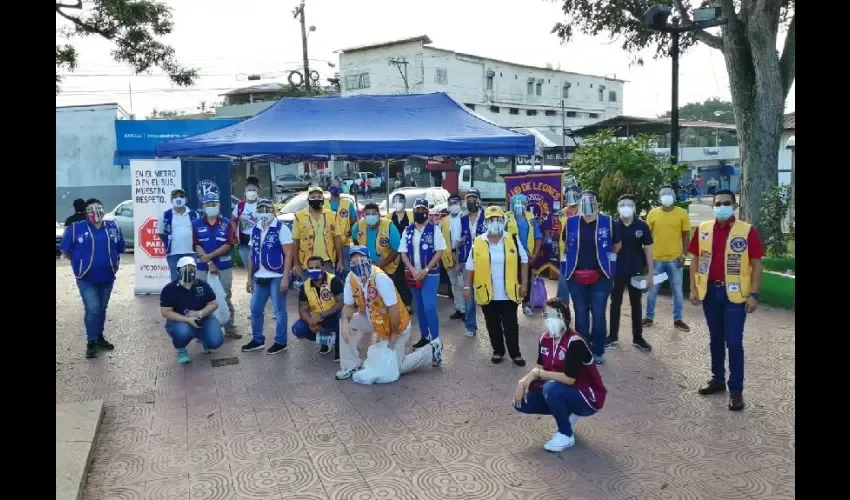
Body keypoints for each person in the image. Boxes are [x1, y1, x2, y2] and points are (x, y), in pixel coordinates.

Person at [688, 190, 764, 411]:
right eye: (718, 203)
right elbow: (695, 259)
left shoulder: (746, 231)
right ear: (712, 206)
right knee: (715, 339)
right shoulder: (703, 230)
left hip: (736, 296)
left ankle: (736, 390)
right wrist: (693, 288)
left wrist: (754, 294)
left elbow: (757, 264)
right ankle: (718, 379)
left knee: (733, 342)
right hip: (711, 293)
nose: (722, 206)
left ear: (734, 206)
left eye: (727, 203)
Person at [337, 246, 443, 381]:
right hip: (373, 320)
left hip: (397, 326)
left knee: (396, 369)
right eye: (354, 261)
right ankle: (350, 365)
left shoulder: (379, 278)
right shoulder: (351, 278)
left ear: (369, 260)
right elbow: (348, 305)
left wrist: (393, 335)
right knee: (345, 321)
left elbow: (394, 309)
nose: (358, 264)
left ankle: (431, 351)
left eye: (361, 259)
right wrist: (346, 321)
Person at [514, 298, 606, 452]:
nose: (549, 320)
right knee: (521, 401)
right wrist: (524, 381)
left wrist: (538, 373)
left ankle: (566, 434)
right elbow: (539, 367)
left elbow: (569, 379)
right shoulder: (545, 339)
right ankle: (567, 412)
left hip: (588, 396)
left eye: (554, 315)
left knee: (551, 388)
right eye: (546, 315)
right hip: (564, 390)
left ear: (565, 317)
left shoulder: (574, 341)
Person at [464, 206, 529, 366]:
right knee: (492, 324)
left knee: (511, 324)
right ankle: (498, 351)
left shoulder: (512, 239)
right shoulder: (478, 242)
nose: (495, 223)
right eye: (491, 220)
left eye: (498, 220)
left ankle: (515, 354)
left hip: (509, 291)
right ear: (486, 222)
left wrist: (525, 284)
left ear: (503, 221)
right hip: (487, 291)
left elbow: (525, 260)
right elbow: (470, 266)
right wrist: (467, 287)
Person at [60, 198, 125, 359]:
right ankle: (91, 341)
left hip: (107, 276)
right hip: (86, 278)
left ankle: (100, 337)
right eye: (91, 210)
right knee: (93, 308)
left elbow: (120, 247)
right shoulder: (76, 228)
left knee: (102, 308)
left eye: (97, 209)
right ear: (86, 211)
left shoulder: (112, 227)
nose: (94, 213)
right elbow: (66, 250)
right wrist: (78, 263)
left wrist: (114, 263)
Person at [562, 191, 621, 365]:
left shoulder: (608, 222)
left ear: (596, 203)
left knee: (598, 314)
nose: (587, 205)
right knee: (580, 314)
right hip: (576, 275)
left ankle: (598, 351)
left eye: (591, 201)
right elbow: (566, 244)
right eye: (584, 201)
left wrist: (604, 262)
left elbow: (617, 245)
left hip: (601, 277)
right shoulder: (571, 222)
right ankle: (583, 350)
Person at [241, 199, 294, 354]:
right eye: (260, 209)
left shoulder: (281, 228)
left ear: (273, 211)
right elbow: (252, 254)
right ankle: (257, 340)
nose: (263, 212)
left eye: (267, 209)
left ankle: (281, 341)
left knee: (279, 311)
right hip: (259, 276)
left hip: (276, 276)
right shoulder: (255, 229)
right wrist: (249, 278)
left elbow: (289, 253)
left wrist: (285, 277)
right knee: (255, 309)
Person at [606, 195, 653, 351]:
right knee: (615, 303)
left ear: (634, 208)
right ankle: (612, 336)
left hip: (636, 270)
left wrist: (650, 274)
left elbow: (648, 250)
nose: (625, 207)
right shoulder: (612, 225)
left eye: (629, 204)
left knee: (636, 304)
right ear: (618, 207)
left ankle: (638, 338)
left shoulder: (642, 226)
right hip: (617, 270)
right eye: (622, 204)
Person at [399, 198, 446, 349]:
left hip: (430, 273)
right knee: (419, 306)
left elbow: (439, 252)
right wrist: (413, 270)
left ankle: (436, 340)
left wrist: (425, 271)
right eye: (417, 210)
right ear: (413, 211)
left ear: (427, 212)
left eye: (423, 210)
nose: (420, 213)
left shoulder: (434, 229)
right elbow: (403, 253)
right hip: (413, 274)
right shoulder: (408, 230)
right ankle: (425, 336)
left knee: (429, 307)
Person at [159, 257, 225, 364]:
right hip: (179, 320)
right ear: (178, 270)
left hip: (203, 318)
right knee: (183, 332)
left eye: (192, 268)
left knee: (216, 341)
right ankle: (180, 348)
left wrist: (200, 313)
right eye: (185, 268)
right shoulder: (169, 289)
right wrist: (187, 319)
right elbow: (165, 312)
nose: (189, 271)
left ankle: (205, 339)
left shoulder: (202, 285)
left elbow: (214, 303)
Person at [645, 186, 692, 332]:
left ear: (674, 196)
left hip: (675, 260)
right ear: (660, 197)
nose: (666, 196)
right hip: (657, 259)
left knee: (677, 291)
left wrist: (684, 254)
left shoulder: (681, 213)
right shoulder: (653, 214)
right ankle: (649, 317)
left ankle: (678, 319)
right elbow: (647, 237)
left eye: (669, 194)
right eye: (663, 194)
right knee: (652, 290)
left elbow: (685, 235)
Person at [192, 193, 238, 338]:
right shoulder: (196, 224)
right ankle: (202, 329)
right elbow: (196, 244)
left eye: (214, 204)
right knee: (201, 298)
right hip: (203, 267)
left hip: (223, 266)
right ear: (203, 206)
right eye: (208, 204)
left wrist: (210, 257)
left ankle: (229, 327)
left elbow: (229, 244)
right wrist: (207, 260)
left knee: (225, 295)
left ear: (219, 205)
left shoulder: (226, 223)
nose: (211, 207)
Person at [292, 255, 345, 361]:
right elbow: (303, 309)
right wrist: (310, 321)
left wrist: (321, 316)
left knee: (341, 319)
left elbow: (341, 302)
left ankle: (340, 351)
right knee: (298, 329)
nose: (313, 270)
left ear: (323, 268)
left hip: (334, 316)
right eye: (310, 268)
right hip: (318, 319)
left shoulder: (334, 281)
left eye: (317, 267)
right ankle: (327, 341)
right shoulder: (305, 286)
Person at [292, 186, 344, 277]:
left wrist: (340, 261)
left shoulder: (332, 215)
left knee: (328, 289)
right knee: (309, 290)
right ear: (308, 199)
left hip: (327, 262)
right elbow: (295, 242)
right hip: (307, 263)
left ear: (323, 199)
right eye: (313, 197)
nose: (316, 199)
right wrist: (295, 264)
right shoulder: (299, 216)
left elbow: (337, 239)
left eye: (319, 197)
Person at [505, 193, 543, 316]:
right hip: (511, 255)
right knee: (511, 279)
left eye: (522, 203)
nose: (519, 206)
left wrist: (535, 254)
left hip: (527, 256)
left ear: (526, 205)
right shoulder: (506, 217)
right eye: (516, 204)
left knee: (526, 280)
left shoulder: (531, 217)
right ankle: (511, 305)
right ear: (511, 205)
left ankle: (525, 305)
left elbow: (538, 236)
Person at [458, 188, 487, 337]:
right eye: (468, 199)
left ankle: (493, 324)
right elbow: (457, 242)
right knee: (468, 295)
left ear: (479, 200)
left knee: (488, 294)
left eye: (473, 198)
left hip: (484, 262)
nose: (471, 201)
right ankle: (470, 326)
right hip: (466, 261)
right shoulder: (462, 219)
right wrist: (457, 261)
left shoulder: (487, 217)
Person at [352, 203, 402, 286]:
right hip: (366, 269)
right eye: (367, 214)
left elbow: (396, 250)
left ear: (379, 215)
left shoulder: (389, 226)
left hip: (387, 269)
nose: (370, 216)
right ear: (364, 216)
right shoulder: (358, 226)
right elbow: (354, 239)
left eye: (373, 214)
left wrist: (380, 265)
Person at [157, 188, 199, 282]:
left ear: (186, 199)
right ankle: (176, 297)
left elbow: (198, 231)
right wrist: (168, 242)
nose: (178, 198)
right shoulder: (165, 215)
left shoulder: (194, 214)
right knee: (175, 280)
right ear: (171, 200)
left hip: (191, 252)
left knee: (191, 280)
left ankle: (190, 297)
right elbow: (160, 233)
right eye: (175, 197)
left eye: (181, 196)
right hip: (173, 253)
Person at [387, 193, 414, 312]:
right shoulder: (388, 217)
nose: (397, 203)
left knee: (407, 278)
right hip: (394, 252)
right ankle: (398, 303)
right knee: (396, 278)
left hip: (408, 252)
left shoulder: (411, 216)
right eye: (395, 201)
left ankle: (408, 303)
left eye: (400, 201)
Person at [327, 179, 358, 276]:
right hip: (328, 242)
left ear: (341, 188)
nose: (335, 189)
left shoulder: (348, 204)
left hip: (345, 241)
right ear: (329, 188)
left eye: (337, 186)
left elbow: (354, 223)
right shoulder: (324, 204)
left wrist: (348, 233)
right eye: (333, 186)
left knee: (345, 269)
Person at [442, 194, 466, 319]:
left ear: (460, 203)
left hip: (462, 256)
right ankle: (459, 308)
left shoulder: (465, 218)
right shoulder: (445, 220)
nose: (454, 206)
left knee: (463, 285)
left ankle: (466, 310)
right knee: (454, 285)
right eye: (452, 203)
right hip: (448, 256)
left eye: (456, 203)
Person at [557, 187, 580, 307]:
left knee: (580, 284)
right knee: (563, 284)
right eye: (568, 195)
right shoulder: (561, 213)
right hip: (565, 252)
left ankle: (582, 312)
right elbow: (557, 231)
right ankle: (563, 310)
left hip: (582, 253)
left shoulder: (585, 211)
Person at [232, 176, 262, 269]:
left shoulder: (263, 204)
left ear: (257, 191)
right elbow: (233, 220)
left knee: (259, 267)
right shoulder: (240, 205)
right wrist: (235, 234)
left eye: (254, 189)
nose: (251, 191)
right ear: (245, 191)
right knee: (248, 268)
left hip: (260, 241)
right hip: (244, 242)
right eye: (249, 189)